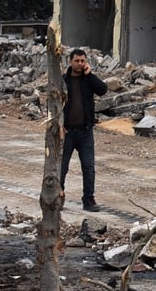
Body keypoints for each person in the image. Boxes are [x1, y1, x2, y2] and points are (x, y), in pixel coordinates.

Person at [59, 48, 107, 212]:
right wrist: (59, 125)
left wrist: (90, 75)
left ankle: (89, 200)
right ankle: (58, 197)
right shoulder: (64, 81)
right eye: (77, 61)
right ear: (70, 62)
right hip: (67, 132)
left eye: (82, 61)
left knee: (88, 167)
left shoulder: (88, 80)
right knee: (62, 167)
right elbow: (53, 103)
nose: (80, 64)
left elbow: (103, 90)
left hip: (85, 132)